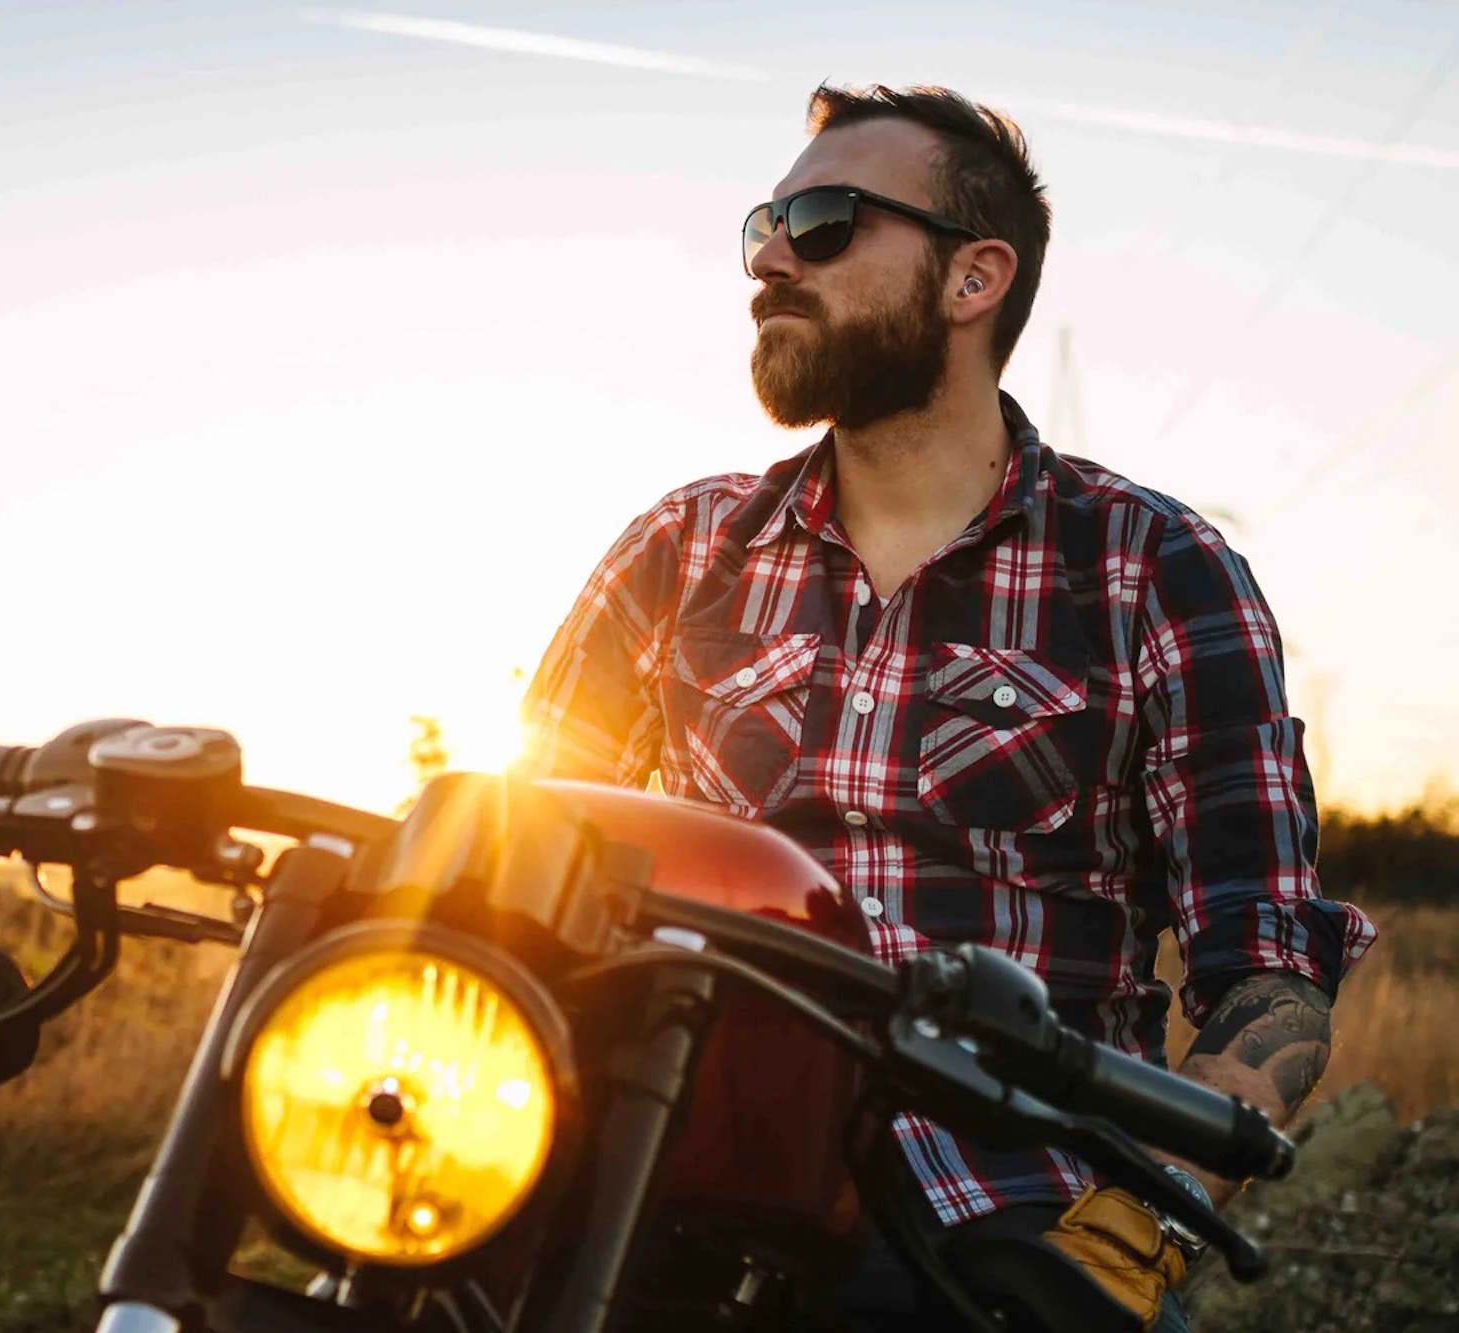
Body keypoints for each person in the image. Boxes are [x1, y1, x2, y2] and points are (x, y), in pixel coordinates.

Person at [515, 83, 1377, 1331]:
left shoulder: (1151, 566)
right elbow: (509, 846)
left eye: (819, 223)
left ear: (974, 279)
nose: (766, 257)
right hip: (663, 1163)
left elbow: (1269, 974)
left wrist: (1133, 1236)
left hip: (1000, 1207)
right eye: (764, 221)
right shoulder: (683, 544)